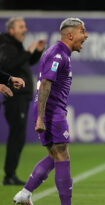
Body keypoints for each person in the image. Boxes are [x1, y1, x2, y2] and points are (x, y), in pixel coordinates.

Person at [13, 18, 88, 205]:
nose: (85, 36)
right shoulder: (58, 55)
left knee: (55, 156)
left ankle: (25, 192)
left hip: (48, 111)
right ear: (70, 35)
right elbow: (46, 84)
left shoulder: (60, 53)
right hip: (51, 112)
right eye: (82, 31)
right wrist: (41, 118)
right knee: (62, 156)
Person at [0, 17, 46, 185]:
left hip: (21, 96)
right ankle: (9, 175)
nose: (24, 29)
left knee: (18, 137)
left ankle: (10, 174)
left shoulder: (14, 45)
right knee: (16, 137)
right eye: (21, 26)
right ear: (11, 30)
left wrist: (37, 52)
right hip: (15, 96)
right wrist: (28, 51)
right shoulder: (5, 44)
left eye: (25, 26)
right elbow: (8, 65)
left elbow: (22, 64)